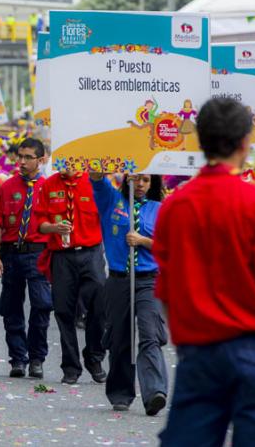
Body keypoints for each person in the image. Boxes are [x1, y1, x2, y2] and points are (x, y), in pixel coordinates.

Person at [154, 97, 255, 446]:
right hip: (254, 355)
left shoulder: (174, 206)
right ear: (246, 141)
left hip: (198, 353)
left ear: (199, 140)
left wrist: (186, 342)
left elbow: (166, 290)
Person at [90, 172, 168, 415]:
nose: (141, 184)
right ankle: (120, 393)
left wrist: (144, 241)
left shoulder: (161, 209)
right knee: (119, 337)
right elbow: (96, 178)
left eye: (145, 180)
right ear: (126, 180)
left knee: (149, 334)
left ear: (152, 182)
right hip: (118, 279)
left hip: (149, 281)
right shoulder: (112, 200)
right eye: (136, 179)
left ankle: (155, 391)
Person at [35, 166, 106, 385]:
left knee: (99, 303)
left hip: (91, 252)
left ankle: (94, 356)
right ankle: (71, 366)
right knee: (64, 311)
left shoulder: (94, 182)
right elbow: (40, 223)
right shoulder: (49, 184)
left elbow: (111, 211)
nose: (67, 165)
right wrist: (54, 227)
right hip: (62, 256)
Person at [0, 138, 52, 379]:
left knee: (42, 304)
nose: (22, 162)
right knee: (11, 308)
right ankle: (18, 359)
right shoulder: (7, 186)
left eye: (28, 157)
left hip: (39, 253)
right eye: (20, 156)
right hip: (11, 253)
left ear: (41, 160)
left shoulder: (48, 187)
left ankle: (37, 358)